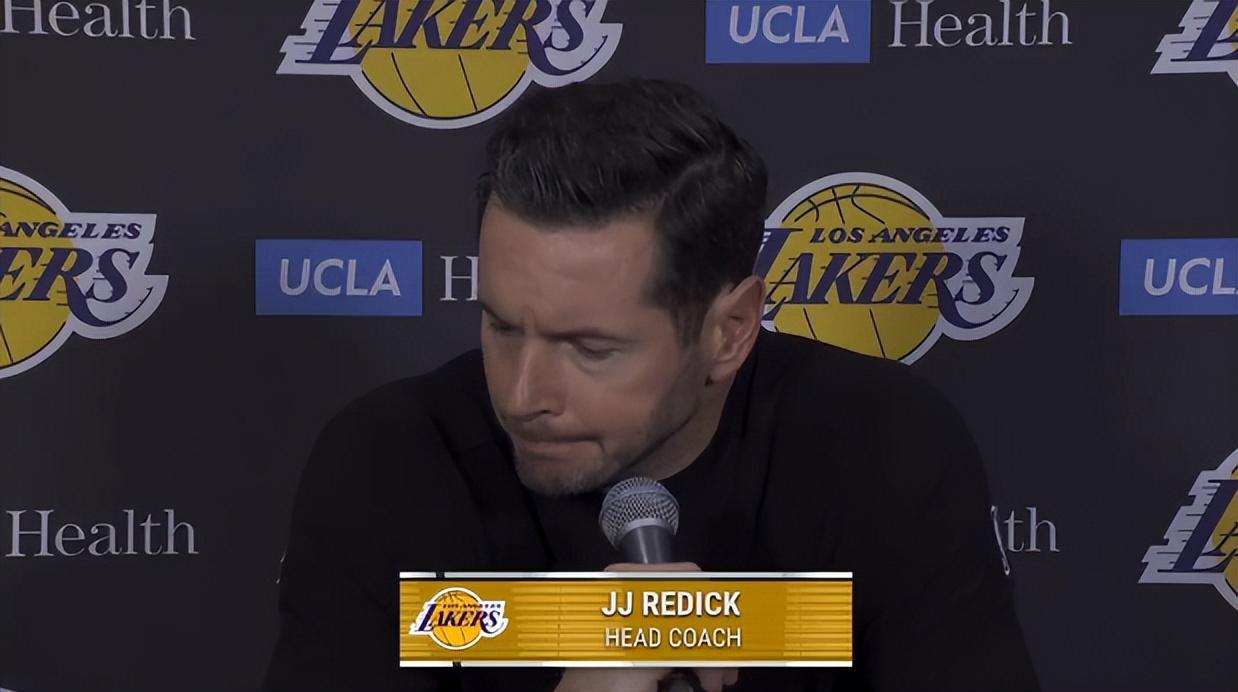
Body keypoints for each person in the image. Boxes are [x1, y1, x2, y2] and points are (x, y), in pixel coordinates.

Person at [263, 78, 1040, 692]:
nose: (523, 395)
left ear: (729, 330)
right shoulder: (388, 461)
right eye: (502, 326)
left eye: (590, 349)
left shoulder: (881, 448)